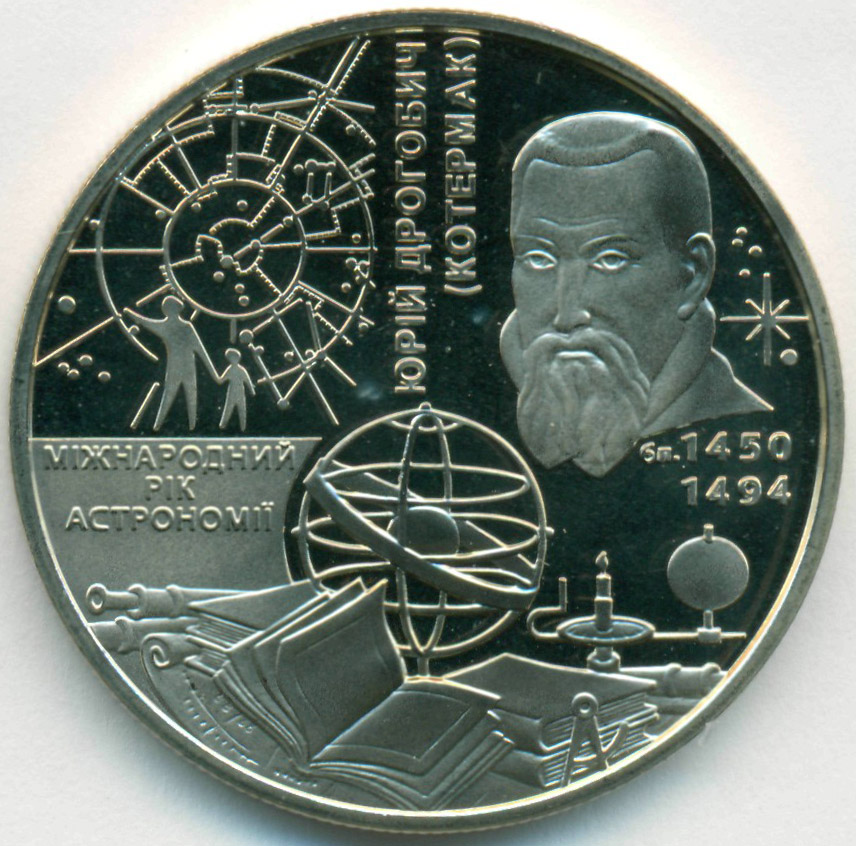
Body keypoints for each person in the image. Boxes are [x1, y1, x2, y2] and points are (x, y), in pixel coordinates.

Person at [500, 111, 770, 478]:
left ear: (693, 275)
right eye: (539, 258)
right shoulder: (470, 420)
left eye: (610, 260)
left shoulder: (742, 428)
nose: (568, 314)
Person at [125, 295, 220, 430]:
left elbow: (145, 322)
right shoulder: (186, 326)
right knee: (189, 396)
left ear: (167, 310)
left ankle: (159, 426)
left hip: (178, 365)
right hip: (186, 365)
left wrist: (129, 313)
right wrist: (213, 372)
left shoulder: (169, 326)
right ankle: (191, 427)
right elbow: (201, 351)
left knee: (172, 395)